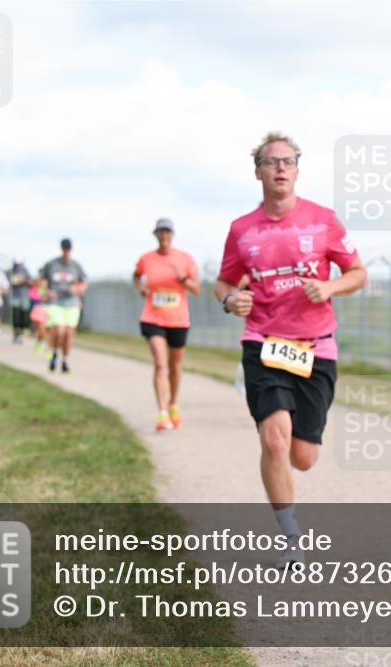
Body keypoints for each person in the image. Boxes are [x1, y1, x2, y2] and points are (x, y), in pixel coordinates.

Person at [214, 132, 367, 570]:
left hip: (316, 347)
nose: (280, 168)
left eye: (288, 161)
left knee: (304, 456)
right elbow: (224, 282)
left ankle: (301, 448)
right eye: (271, 161)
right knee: (274, 439)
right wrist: (230, 300)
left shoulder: (323, 220)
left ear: (297, 170)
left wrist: (330, 285)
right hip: (263, 342)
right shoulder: (242, 229)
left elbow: (357, 272)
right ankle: (292, 539)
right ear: (258, 170)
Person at [133, 218, 202, 432]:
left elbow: (196, 288)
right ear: (155, 234)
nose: (164, 236)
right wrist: (141, 288)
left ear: (172, 235)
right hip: (152, 317)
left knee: (175, 365)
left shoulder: (185, 258)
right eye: (160, 233)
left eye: (167, 233)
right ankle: (162, 412)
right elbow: (136, 276)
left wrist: (183, 279)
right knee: (160, 363)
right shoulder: (147, 258)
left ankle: (173, 403)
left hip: (178, 319)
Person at [40, 239, 87, 373]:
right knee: (59, 331)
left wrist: (77, 289)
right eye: (64, 248)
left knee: (68, 334)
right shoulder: (52, 264)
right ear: (61, 249)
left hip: (71, 303)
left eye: (68, 249)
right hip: (55, 303)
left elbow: (83, 283)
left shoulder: (76, 266)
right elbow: (42, 282)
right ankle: (54, 352)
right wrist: (47, 291)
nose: (66, 251)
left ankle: (65, 360)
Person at [8, 259, 32, 344]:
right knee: (15, 316)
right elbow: (8, 282)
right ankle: (15, 334)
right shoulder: (11, 270)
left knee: (22, 317)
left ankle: (20, 336)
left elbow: (30, 281)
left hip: (24, 297)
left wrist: (23, 280)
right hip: (15, 296)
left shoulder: (25, 270)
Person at [28, 277, 49, 355]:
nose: (43, 283)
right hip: (38, 309)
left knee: (47, 331)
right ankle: (40, 342)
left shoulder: (49, 289)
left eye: (45, 282)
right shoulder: (35, 288)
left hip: (48, 310)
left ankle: (48, 348)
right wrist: (42, 297)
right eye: (42, 281)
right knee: (41, 329)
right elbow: (32, 296)